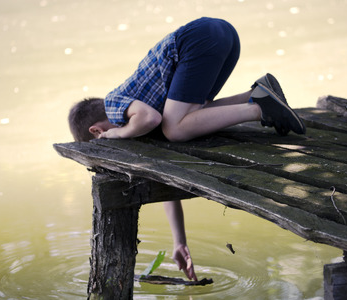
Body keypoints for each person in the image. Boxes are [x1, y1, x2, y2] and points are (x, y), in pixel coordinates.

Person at [68, 17, 306, 281]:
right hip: (222, 35)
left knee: (175, 129)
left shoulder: (115, 103)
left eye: (103, 141)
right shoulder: (138, 120)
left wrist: (118, 132)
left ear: (97, 131)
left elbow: (151, 119)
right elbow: (161, 170)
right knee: (190, 121)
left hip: (196, 39)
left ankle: (260, 109)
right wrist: (179, 241)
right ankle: (256, 95)